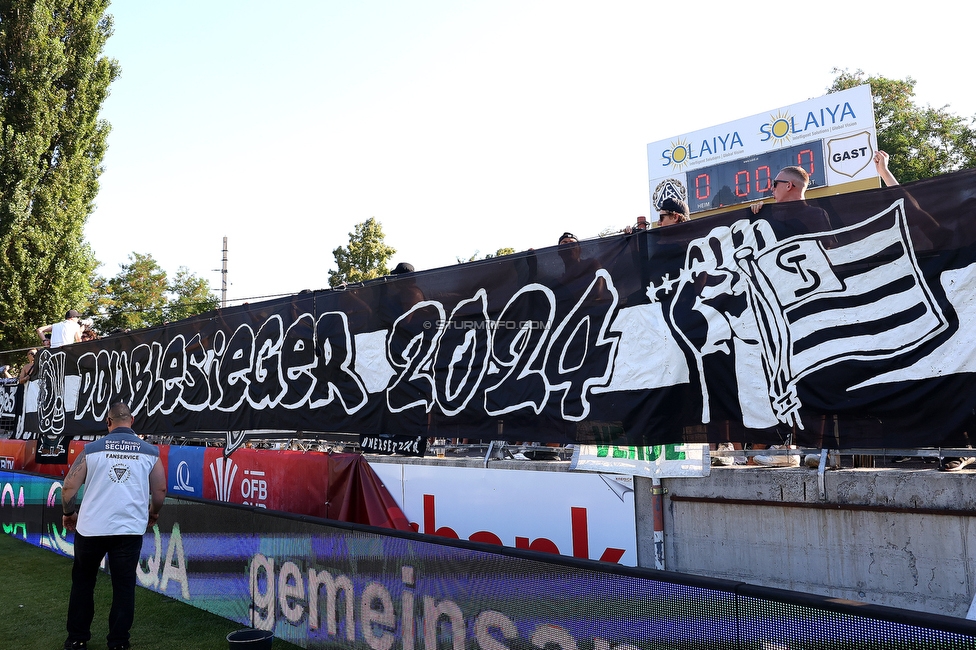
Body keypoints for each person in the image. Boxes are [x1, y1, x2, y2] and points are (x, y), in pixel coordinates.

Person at [61, 402, 167, 650]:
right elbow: (160, 490)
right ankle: (118, 642)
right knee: (123, 585)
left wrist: (69, 513)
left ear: (108, 422)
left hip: (91, 528)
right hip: (128, 530)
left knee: (83, 582)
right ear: (132, 420)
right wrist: (154, 512)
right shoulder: (149, 451)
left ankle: (76, 639)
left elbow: (68, 487)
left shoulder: (92, 449)